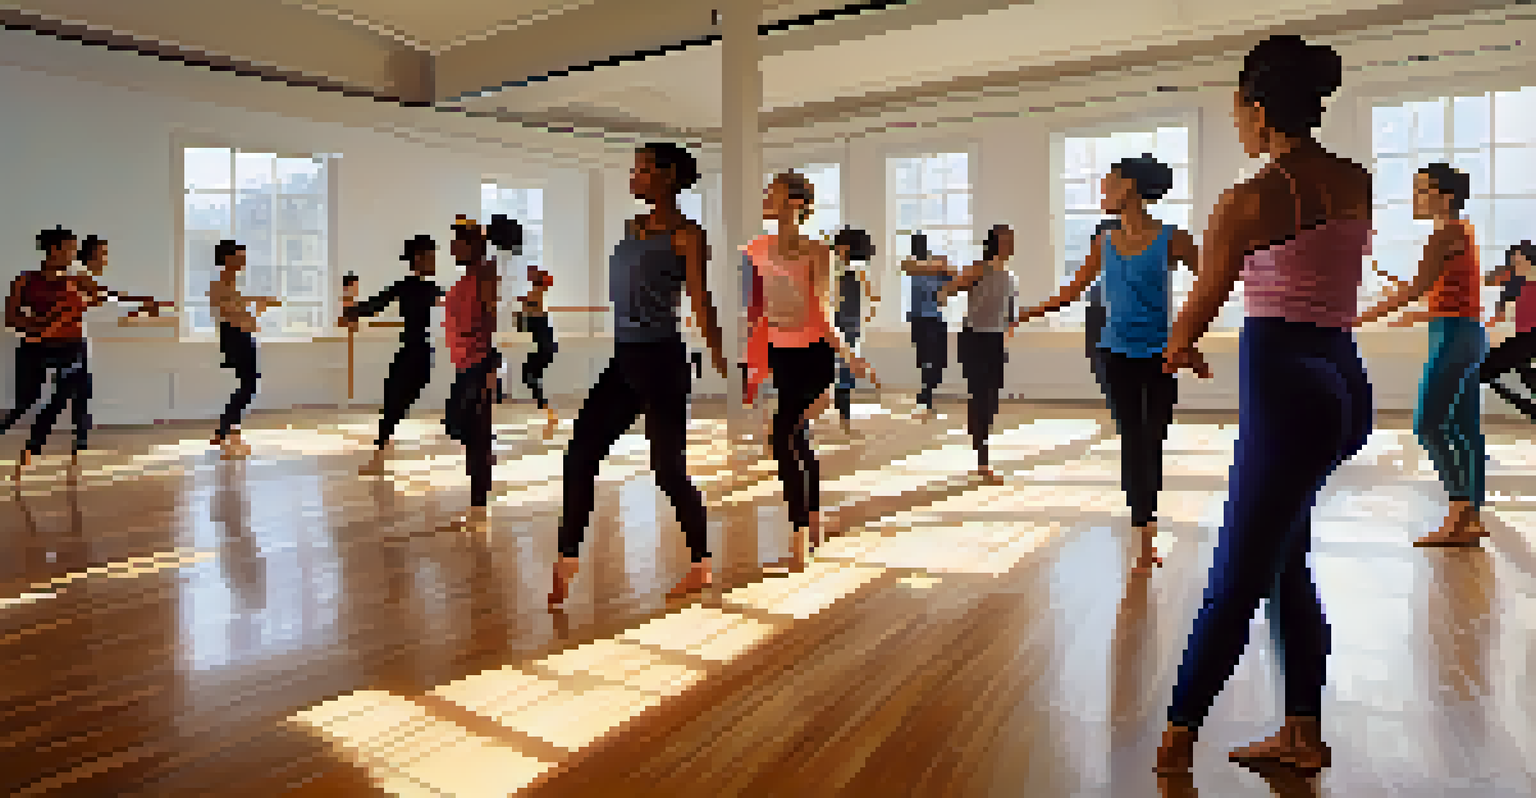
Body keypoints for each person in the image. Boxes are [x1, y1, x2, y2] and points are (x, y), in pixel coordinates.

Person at [1156, 35, 1372, 788]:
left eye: (1236, 111)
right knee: (1285, 560)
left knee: (1236, 575)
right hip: (1344, 382)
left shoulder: (1250, 198)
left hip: (1287, 387)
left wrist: (1176, 347)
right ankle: (1301, 735)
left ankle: (1174, 747)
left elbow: (1205, 296)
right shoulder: (1354, 180)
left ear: (1256, 108)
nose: (1235, 124)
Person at [550, 142, 730, 606]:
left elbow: (701, 301)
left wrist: (721, 358)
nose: (634, 176)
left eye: (643, 169)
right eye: (635, 169)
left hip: (663, 362)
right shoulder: (632, 228)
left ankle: (702, 563)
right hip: (624, 359)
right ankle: (567, 558)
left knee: (668, 471)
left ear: (667, 176)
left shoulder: (687, 236)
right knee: (580, 454)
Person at [1016, 155, 1199, 574]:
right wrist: (1027, 312)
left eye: (1108, 183)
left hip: (1161, 356)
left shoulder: (1173, 239)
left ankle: (1147, 528)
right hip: (1115, 354)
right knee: (1133, 441)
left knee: (1153, 441)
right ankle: (1144, 537)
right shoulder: (1104, 242)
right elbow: (1072, 291)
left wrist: (1186, 339)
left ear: (1129, 186)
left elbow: (1210, 283)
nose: (1102, 191)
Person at [744, 172, 877, 569]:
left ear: (797, 203)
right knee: (797, 439)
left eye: (774, 193)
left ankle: (800, 532)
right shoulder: (757, 248)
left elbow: (822, 313)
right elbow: (759, 308)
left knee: (782, 435)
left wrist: (849, 355)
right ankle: (813, 516)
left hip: (815, 355)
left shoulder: (819, 252)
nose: (766, 197)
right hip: (781, 354)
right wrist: (753, 356)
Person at [1357, 163, 1487, 547]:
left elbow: (1416, 288)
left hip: (1453, 338)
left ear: (1446, 197)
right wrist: (1412, 308)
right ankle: (1470, 517)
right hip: (1465, 333)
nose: (1415, 198)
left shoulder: (1444, 234)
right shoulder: (1462, 231)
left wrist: (1357, 317)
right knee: (1464, 428)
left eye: (1423, 190)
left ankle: (1459, 512)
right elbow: (1447, 295)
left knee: (1428, 424)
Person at [341, 234, 445, 475]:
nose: (433, 262)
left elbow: (454, 309)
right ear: (417, 259)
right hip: (412, 349)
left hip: (421, 350)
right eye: (429, 257)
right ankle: (382, 441)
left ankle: (384, 438)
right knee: (394, 394)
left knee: (401, 395)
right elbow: (376, 304)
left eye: (433, 257)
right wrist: (352, 311)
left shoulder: (433, 289)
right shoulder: (407, 286)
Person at [2, 227, 93, 474]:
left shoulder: (77, 280)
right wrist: (42, 324)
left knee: (71, 394)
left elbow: (97, 299)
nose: (74, 255)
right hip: (37, 345)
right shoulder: (25, 280)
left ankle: (49, 447)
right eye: (69, 249)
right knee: (25, 401)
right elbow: (11, 318)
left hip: (72, 346)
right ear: (53, 250)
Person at [939, 224, 1018, 483]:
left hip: (995, 340)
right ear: (994, 243)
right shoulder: (979, 269)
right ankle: (982, 459)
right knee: (981, 396)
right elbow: (948, 292)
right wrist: (949, 286)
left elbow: (1010, 315)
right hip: (973, 338)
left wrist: (1006, 335)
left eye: (1012, 240)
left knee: (991, 398)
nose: (1010, 245)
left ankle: (979, 441)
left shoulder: (1011, 277)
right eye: (1006, 240)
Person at [442, 217, 501, 518]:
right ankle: (483, 465)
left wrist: (491, 365)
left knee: (472, 429)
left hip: (478, 363)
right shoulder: (466, 279)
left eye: (458, 242)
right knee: (458, 423)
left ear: (473, 246)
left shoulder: (484, 275)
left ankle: (479, 499)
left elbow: (493, 318)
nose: (452, 247)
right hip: (464, 364)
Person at [208, 240, 279, 459]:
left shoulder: (229, 284)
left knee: (247, 382)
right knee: (249, 383)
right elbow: (231, 313)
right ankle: (225, 428)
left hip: (238, 335)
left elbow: (238, 307)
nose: (244, 261)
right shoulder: (220, 284)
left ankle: (227, 428)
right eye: (240, 257)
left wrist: (256, 304)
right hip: (235, 337)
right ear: (228, 259)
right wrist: (256, 311)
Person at [500, 212, 559, 439]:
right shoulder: (535, 297)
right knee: (530, 376)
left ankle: (547, 410)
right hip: (543, 345)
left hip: (544, 346)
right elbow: (526, 313)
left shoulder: (535, 298)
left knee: (530, 376)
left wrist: (518, 311)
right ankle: (546, 409)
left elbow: (528, 312)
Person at [1480, 241, 1536, 421]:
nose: (1515, 267)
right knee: (1485, 372)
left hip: (1529, 340)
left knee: (1482, 371)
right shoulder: (1521, 286)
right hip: (1522, 341)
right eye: (1513, 263)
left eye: (1518, 262)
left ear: (1530, 260)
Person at [831, 227, 878, 432]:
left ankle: (844, 413)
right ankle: (842, 413)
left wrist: (865, 315)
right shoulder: (836, 267)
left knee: (845, 370)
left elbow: (872, 296)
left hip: (848, 323)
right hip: (841, 321)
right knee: (842, 369)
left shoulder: (856, 269)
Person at [902, 232, 952, 415]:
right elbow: (908, 267)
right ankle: (926, 393)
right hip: (919, 319)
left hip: (935, 318)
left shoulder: (934, 267)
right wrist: (938, 265)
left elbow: (950, 280)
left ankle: (928, 390)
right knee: (925, 358)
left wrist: (941, 268)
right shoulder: (913, 264)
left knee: (938, 359)